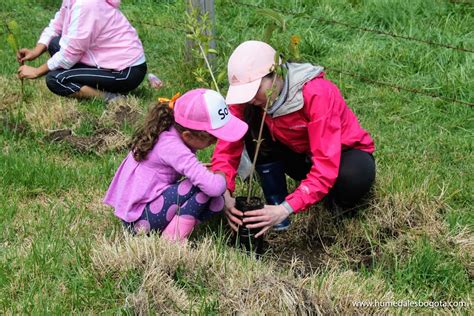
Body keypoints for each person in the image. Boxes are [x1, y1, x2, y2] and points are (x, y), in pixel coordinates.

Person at [211, 40, 376, 237]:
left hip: (343, 155)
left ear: (276, 74)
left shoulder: (317, 93)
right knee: (251, 120)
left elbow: (325, 164)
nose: (250, 98)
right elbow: (227, 147)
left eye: (254, 90)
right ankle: (275, 201)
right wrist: (224, 191)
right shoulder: (248, 102)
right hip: (300, 155)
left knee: (352, 179)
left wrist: (287, 208)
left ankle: (333, 205)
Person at [103, 89, 248, 241]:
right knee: (203, 187)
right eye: (212, 138)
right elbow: (215, 187)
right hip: (138, 221)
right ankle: (172, 240)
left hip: (143, 211)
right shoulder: (173, 147)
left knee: (216, 200)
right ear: (188, 135)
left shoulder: (169, 132)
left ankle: (176, 228)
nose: (215, 142)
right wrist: (220, 174)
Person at [17, 0, 147, 102]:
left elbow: (70, 54)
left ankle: (112, 98)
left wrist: (37, 71)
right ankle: (87, 80)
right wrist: (36, 51)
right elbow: (58, 24)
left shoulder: (87, 4)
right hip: (105, 59)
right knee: (55, 44)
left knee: (55, 79)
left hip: (126, 71)